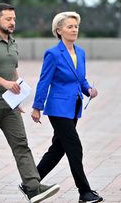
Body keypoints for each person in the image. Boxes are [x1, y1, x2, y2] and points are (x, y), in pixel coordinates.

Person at [0, 3, 60, 203]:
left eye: (14, 19)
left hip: (9, 107)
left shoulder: (13, 42)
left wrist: (16, 97)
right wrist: (5, 84)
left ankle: (33, 187)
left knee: (21, 145)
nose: (12, 23)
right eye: (8, 19)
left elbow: (13, 72)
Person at [31, 11, 104, 203]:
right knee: (74, 147)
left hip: (73, 107)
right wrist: (37, 107)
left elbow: (80, 79)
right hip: (57, 108)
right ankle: (84, 192)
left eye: (76, 26)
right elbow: (43, 81)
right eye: (70, 26)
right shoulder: (53, 54)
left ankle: (30, 182)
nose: (74, 29)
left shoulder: (80, 52)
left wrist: (88, 89)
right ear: (59, 30)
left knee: (58, 148)